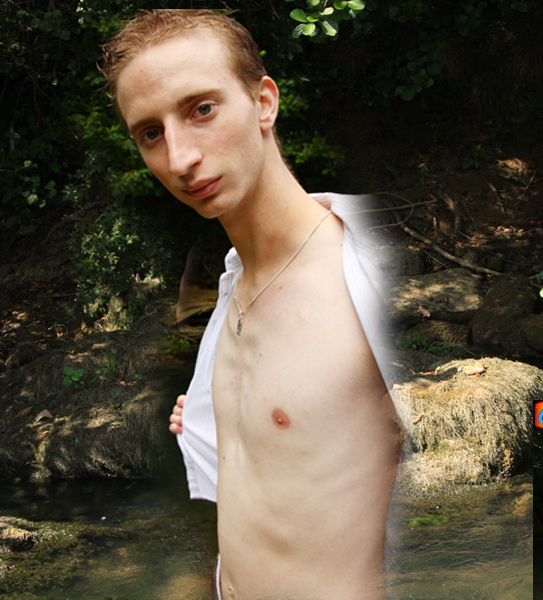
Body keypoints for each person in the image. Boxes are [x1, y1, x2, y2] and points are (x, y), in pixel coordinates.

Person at [101, 10, 403, 599]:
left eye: (201, 110)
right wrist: (214, 419)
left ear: (264, 103)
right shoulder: (234, 284)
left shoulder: (363, 274)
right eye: (151, 133)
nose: (179, 159)